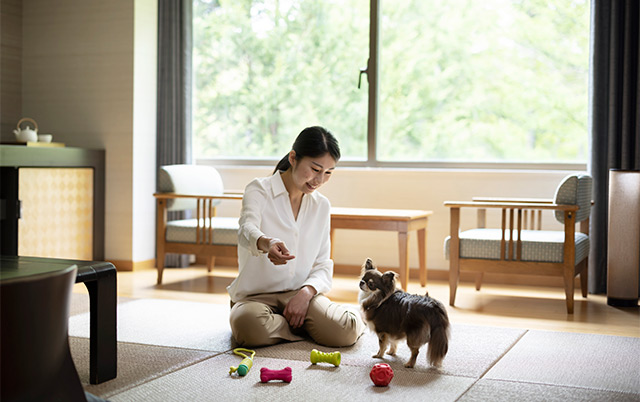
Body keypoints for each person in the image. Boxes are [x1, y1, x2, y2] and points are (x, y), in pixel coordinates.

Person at [227, 126, 365, 347]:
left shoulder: (321, 205)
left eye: (328, 172)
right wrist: (266, 242)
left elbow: (322, 263)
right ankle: (302, 327)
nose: (319, 179)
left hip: (301, 295)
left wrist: (306, 293)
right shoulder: (259, 189)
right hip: (255, 298)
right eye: (315, 169)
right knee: (248, 328)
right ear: (293, 157)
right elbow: (246, 229)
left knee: (345, 332)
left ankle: (296, 323)